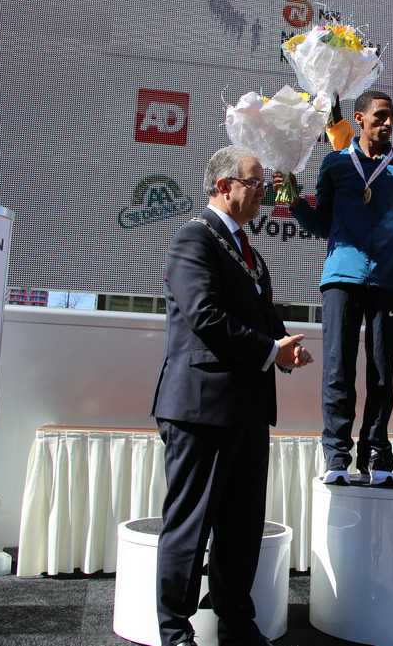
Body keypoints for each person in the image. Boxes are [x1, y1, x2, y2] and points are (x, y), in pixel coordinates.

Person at [152, 145, 314, 646]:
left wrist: (283, 347)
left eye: (264, 184)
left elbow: (261, 320)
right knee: (191, 525)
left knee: (241, 528)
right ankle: (175, 632)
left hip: (247, 410)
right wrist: (269, 349)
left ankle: (237, 625)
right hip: (201, 408)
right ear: (224, 186)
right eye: (255, 183)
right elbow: (205, 316)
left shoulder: (250, 252)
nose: (264, 192)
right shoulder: (193, 238)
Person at [279, 90, 393, 486]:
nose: (388, 123)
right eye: (380, 116)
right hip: (342, 278)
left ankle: (377, 452)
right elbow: (323, 225)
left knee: (381, 373)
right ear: (359, 118)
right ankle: (337, 455)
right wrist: (296, 203)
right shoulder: (336, 163)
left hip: (387, 280)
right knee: (338, 369)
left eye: (392, 117)